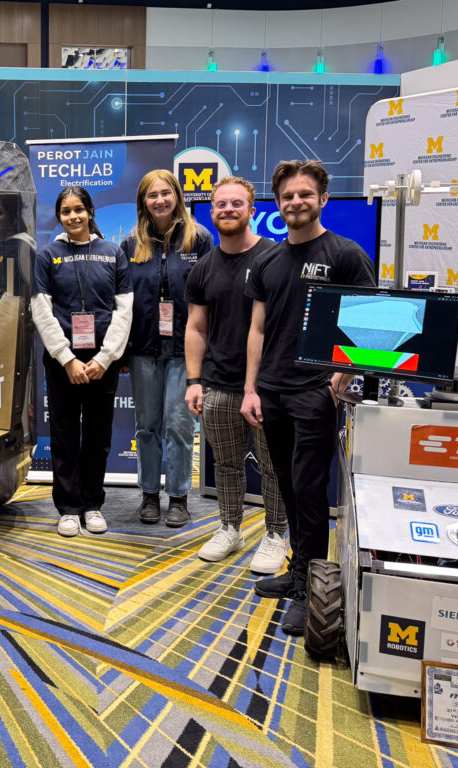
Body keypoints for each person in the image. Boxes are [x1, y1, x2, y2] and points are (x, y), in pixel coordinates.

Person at [240, 159, 375, 635]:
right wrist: (251, 388)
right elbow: (257, 329)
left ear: (322, 198)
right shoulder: (268, 260)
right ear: (277, 204)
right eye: (287, 196)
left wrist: (343, 372)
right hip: (272, 392)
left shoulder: (345, 254)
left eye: (304, 194)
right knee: (289, 489)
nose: (295, 202)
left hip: (314, 394)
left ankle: (310, 588)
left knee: (311, 493)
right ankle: (300, 571)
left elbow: (370, 323)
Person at [184, 176, 287, 572]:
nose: (228, 210)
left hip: (267, 388)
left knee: (273, 465)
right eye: (221, 205)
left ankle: (276, 533)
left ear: (252, 210)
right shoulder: (204, 268)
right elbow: (195, 328)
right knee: (225, 464)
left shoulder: (275, 259)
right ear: (212, 213)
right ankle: (230, 527)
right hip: (219, 385)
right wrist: (195, 381)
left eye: (236, 204)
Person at [32, 185, 132, 537]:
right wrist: (67, 359)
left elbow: (125, 310)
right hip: (63, 364)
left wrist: (106, 358)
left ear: (90, 211)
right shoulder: (48, 255)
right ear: (59, 216)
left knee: (98, 435)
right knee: (63, 433)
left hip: (102, 363)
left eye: (79, 209)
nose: (73, 216)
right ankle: (68, 508)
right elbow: (41, 310)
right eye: (66, 211)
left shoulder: (112, 252)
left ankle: (92, 504)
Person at [122, 170, 212, 526]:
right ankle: (148, 494)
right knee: (146, 425)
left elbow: (208, 300)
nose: (159, 200)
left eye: (165, 193)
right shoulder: (131, 244)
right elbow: (124, 301)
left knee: (178, 425)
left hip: (183, 350)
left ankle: (177, 497)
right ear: (143, 202)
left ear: (177, 196)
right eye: (151, 195)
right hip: (143, 349)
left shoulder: (199, 239)